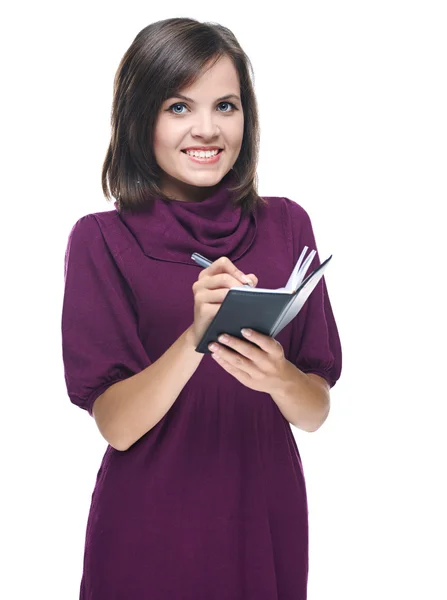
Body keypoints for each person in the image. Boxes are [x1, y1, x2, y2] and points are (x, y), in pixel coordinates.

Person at [61, 17, 342, 600]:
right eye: (179, 107)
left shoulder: (288, 224)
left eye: (227, 106)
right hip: (149, 526)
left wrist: (279, 377)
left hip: (265, 514)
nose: (208, 129)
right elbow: (115, 425)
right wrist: (195, 338)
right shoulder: (99, 239)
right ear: (142, 117)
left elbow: (315, 411)